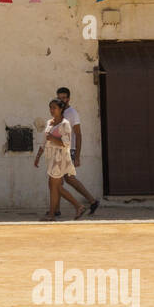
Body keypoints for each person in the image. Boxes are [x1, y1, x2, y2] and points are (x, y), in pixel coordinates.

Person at [34, 99, 85, 221]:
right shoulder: (49, 123)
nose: (52, 110)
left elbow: (66, 143)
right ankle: (76, 207)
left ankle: (55, 213)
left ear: (61, 109)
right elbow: (44, 142)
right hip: (50, 158)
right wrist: (38, 156)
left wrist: (52, 138)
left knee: (55, 187)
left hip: (60, 158)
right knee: (54, 187)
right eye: (50, 107)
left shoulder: (65, 124)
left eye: (54, 108)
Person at [56, 87, 100, 216]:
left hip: (69, 150)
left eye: (64, 98)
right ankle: (92, 201)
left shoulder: (72, 113)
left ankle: (57, 209)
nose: (62, 100)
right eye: (59, 97)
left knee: (60, 179)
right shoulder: (59, 111)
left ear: (68, 99)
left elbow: (78, 134)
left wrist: (77, 156)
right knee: (63, 179)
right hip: (61, 149)